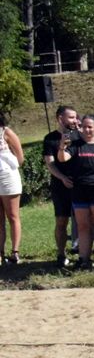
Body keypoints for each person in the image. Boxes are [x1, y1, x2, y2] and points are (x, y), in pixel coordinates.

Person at [56, 114, 94, 269]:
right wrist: (62, 145)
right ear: (80, 128)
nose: (87, 130)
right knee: (83, 227)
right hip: (79, 191)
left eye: (91, 126)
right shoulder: (75, 145)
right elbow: (62, 158)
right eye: (84, 126)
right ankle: (84, 259)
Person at [43, 105, 80, 268]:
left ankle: (84, 254)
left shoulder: (80, 136)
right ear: (60, 118)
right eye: (71, 117)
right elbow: (50, 164)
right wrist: (62, 178)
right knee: (61, 221)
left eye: (75, 117)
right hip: (60, 185)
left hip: (81, 184)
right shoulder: (50, 138)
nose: (75, 120)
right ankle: (61, 254)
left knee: (84, 221)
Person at [0, 111, 23, 264]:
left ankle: (15, 252)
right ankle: (0, 253)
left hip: (7, 177)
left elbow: (20, 158)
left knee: (12, 216)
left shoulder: (6, 132)